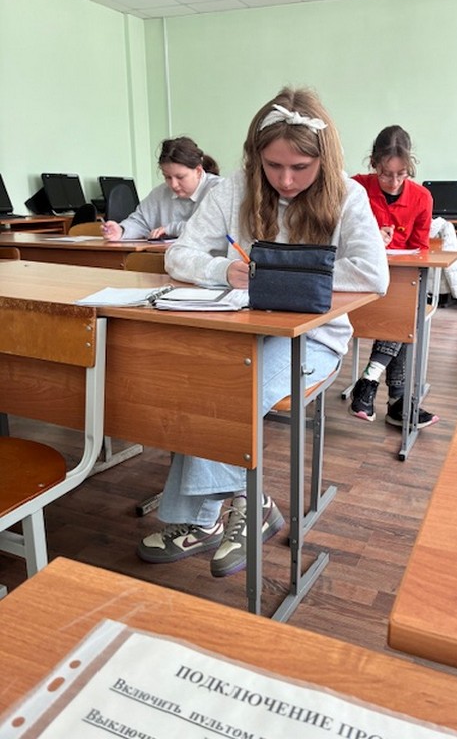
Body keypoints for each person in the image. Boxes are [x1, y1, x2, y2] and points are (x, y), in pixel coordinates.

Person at [137, 87, 389, 576]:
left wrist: (275, 272)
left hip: (313, 338)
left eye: (300, 167)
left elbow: (372, 274)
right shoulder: (233, 188)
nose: (286, 180)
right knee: (194, 382)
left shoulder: (347, 193)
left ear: (323, 158)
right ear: (256, 157)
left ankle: (222, 514)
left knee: (232, 389)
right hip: (240, 330)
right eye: (273, 166)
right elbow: (179, 255)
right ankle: (239, 508)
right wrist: (221, 270)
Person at [349, 125, 439, 428]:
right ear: (374, 163)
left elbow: (421, 249)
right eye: (386, 174)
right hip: (360, 283)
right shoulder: (356, 189)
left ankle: (371, 381)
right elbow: (338, 235)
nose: (394, 182)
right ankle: (398, 402)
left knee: (405, 311)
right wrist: (371, 239)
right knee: (406, 316)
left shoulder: (421, 197)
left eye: (402, 174)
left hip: (400, 281)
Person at [101, 136, 221, 241]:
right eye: (167, 177)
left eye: (180, 177)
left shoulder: (219, 189)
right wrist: (121, 230)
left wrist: (170, 229)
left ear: (198, 171)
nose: (173, 184)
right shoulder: (160, 193)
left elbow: (210, 227)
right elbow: (140, 221)